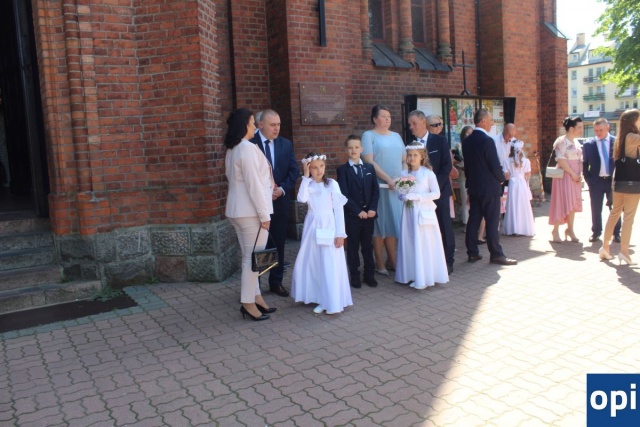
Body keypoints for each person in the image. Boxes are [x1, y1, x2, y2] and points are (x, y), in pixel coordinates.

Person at [224, 108, 276, 321]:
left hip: (239, 210)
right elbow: (253, 184)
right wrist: (265, 215)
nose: (255, 126)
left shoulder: (233, 148)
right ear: (244, 125)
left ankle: (256, 298)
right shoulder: (246, 148)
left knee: (249, 257)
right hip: (250, 212)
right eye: (253, 122)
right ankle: (247, 302)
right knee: (252, 260)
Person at [291, 152, 353, 314]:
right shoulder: (308, 184)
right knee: (312, 261)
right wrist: (305, 177)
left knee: (328, 262)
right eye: (314, 168)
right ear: (308, 169)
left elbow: (338, 210)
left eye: (321, 166)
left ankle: (330, 300)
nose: (319, 170)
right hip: (312, 226)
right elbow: (301, 199)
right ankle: (318, 296)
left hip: (328, 224)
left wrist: (340, 234)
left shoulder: (332, 184)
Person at [250, 109, 300, 297]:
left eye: (278, 124)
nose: (276, 128)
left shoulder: (285, 144)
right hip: (258, 205)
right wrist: (265, 193)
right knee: (259, 245)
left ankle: (276, 282)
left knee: (278, 242)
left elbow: (293, 170)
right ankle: (255, 286)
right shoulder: (250, 144)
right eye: (272, 125)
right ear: (261, 125)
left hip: (279, 203)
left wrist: (282, 189)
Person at [462, 108, 517, 265]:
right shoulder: (487, 141)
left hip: (474, 187)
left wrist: (470, 185)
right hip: (489, 188)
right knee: (492, 221)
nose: (492, 123)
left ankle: (472, 252)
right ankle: (496, 254)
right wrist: (502, 178)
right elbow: (494, 164)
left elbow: (468, 167)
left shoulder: (467, 141)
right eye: (491, 120)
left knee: (474, 220)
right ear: (483, 121)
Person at [395, 142, 449, 288]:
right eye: (410, 155)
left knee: (423, 242)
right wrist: (402, 194)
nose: (412, 158)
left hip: (423, 211)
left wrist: (417, 197)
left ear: (422, 157)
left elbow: (436, 194)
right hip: (409, 212)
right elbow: (403, 191)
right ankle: (411, 274)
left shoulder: (428, 173)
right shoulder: (404, 173)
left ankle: (425, 276)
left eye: (415, 155)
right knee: (410, 240)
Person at [408, 110, 455, 274]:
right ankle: (428, 261)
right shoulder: (411, 144)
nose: (411, 127)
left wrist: (434, 187)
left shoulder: (440, 141)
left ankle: (448, 261)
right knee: (424, 227)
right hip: (420, 196)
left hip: (439, 191)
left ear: (423, 122)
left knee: (444, 225)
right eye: (410, 124)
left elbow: (447, 166)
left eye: (413, 123)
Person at [362, 105, 406, 276]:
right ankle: (379, 261)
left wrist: (402, 178)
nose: (387, 119)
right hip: (379, 186)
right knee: (379, 224)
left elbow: (404, 159)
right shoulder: (369, 135)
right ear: (375, 119)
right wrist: (387, 178)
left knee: (393, 222)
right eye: (383, 116)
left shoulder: (396, 136)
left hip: (396, 187)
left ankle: (392, 260)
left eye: (389, 116)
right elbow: (369, 161)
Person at [337, 135, 380, 288]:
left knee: (368, 246)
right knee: (353, 247)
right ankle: (354, 276)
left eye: (356, 147)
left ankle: (369, 275)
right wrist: (357, 211)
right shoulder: (343, 170)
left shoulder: (369, 168)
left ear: (361, 149)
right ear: (346, 150)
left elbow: (375, 191)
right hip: (352, 217)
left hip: (369, 216)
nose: (353, 150)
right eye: (350, 147)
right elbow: (344, 194)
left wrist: (372, 208)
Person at [599, 109, 640, 265]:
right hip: (632, 183)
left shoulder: (620, 138)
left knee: (615, 213)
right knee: (628, 217)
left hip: (619, 182)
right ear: (633, 121)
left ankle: (605, 247)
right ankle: (624, 252)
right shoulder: (633, 137)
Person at [582, 118, 621, 243]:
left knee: (615, 208)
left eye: (601, 130)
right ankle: (596, 232)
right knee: (595, 208)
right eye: (596, 130)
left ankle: (616, 233)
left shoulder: (617, 142)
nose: (598, 133)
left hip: (612, 181)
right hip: (596, 182)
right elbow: (584, 163)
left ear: (608, 128)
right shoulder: (589, 144)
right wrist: (588, 179)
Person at [548, 116, 583, 243]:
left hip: (575, 176)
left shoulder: (576, 142)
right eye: (579, 127)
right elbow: (561, 160)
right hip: (565, 175)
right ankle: (555, 230)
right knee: (562, 201)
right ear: (572, 128)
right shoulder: (561, 141)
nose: (581, 130)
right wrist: (573, 173)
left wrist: (579, 173)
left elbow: (580, 159)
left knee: (573, 202)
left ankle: (570, 229)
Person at [502, 141, 535, 236]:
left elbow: (506, 177)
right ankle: (523, 228)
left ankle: (513, 228)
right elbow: (528, 175)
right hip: (522, 183)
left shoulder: (507, 161)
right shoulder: (526, 161)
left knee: (513, 204)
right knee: (523, 204)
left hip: (512, 184)